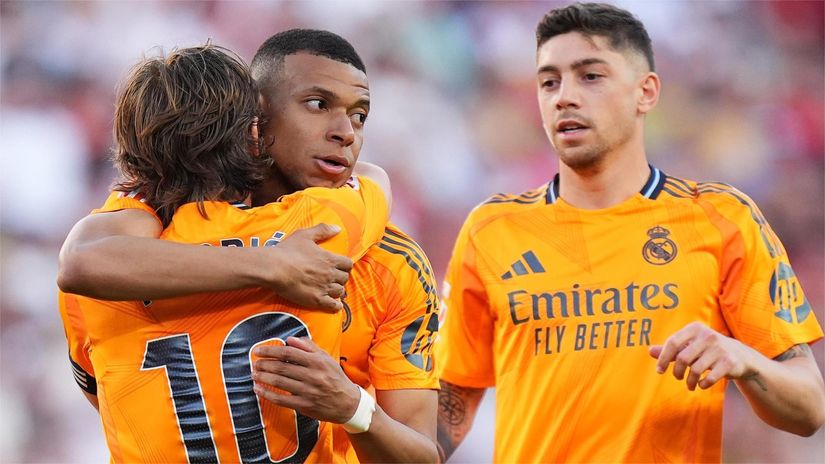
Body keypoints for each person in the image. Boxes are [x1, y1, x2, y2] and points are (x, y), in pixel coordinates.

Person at [434, 3, 825, 463]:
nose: (564, 97)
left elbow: (809, 407)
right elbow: (443, 417)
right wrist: (355, 412)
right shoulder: (491, 230)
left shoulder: (721, 218)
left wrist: (743, 359)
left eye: (590, 76)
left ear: (646, 92)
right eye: (549, 81)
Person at [58, 30, 439, 463]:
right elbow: (374, 178)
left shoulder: (114, 257)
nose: (346, 134)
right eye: (317, 104)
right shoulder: (338, 226)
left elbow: (109, 391)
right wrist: (354, 408)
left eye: (360, 116)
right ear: (255, 121)